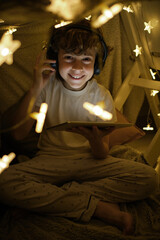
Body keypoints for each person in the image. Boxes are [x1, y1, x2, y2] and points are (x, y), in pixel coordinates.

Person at [0, 19, 158, 235]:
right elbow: (18, 134)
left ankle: (55, 200)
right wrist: (36, 87)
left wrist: (94, 139)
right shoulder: (46, 87)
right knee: (4, 182)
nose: (77, 67)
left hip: (91, 163)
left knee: (148, 179)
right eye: (69, 57)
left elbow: (101, 153)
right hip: (50, 161)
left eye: (86, 59)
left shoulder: (101, 95)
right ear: (55, 59)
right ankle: (96, 207)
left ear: (97, 63)